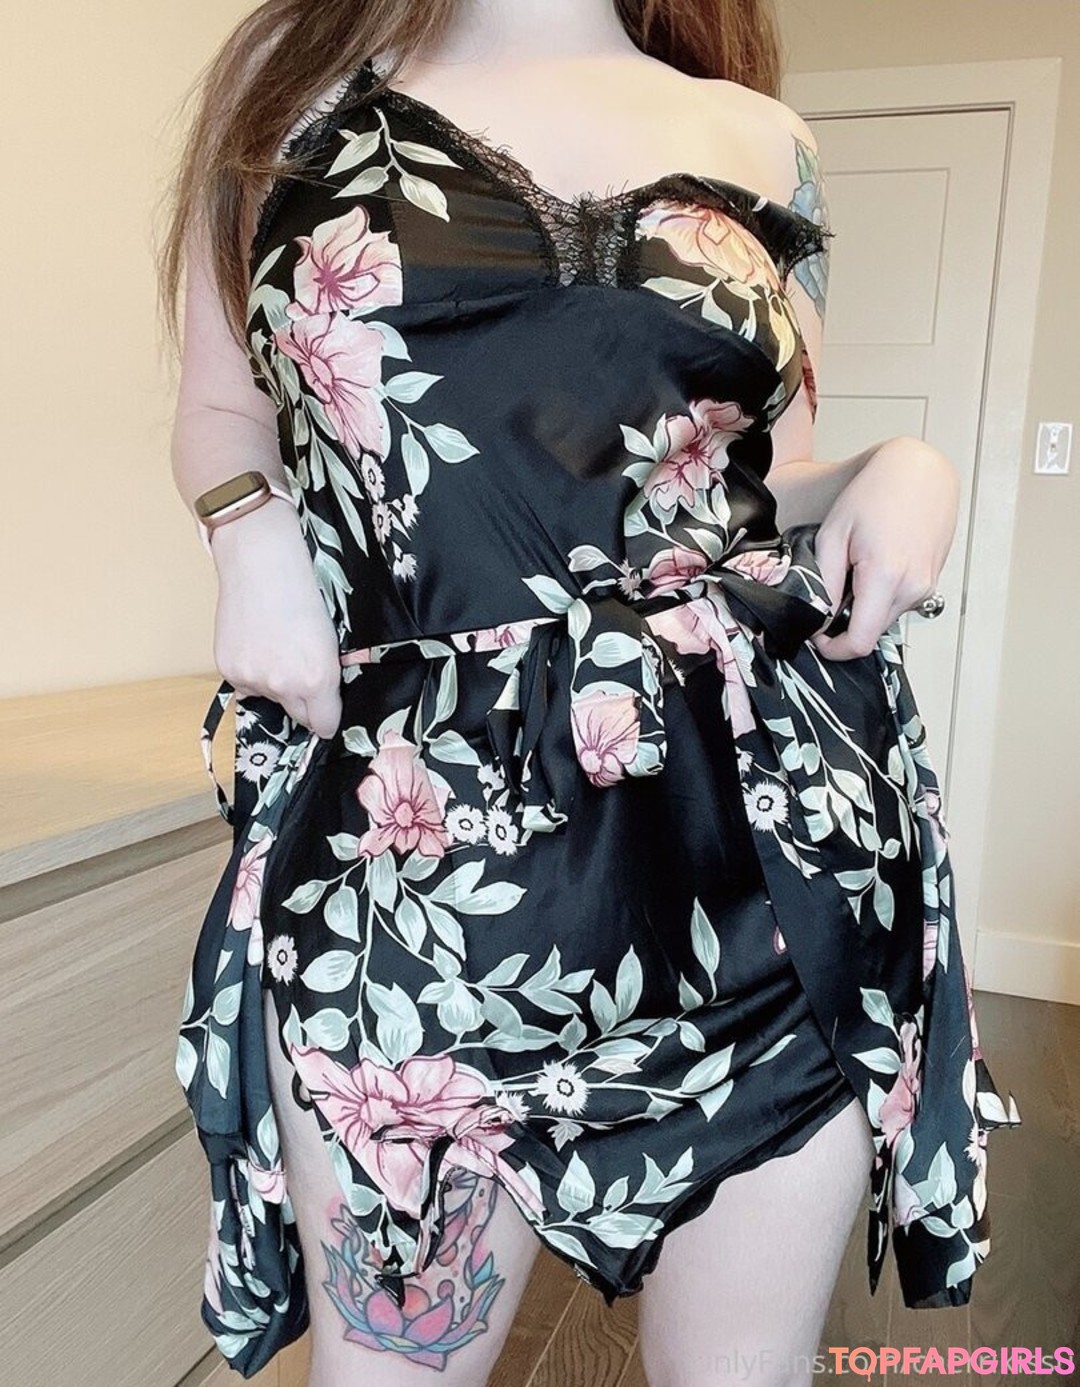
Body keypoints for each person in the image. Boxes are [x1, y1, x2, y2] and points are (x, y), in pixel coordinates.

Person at [160, 3, 1021, 1384]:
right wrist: (245, 531)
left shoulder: (767, 141)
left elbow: (754, 481)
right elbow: (220, 408)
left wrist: (896, 468)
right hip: (412, 842)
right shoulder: (295, 87)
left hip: (754, 839)